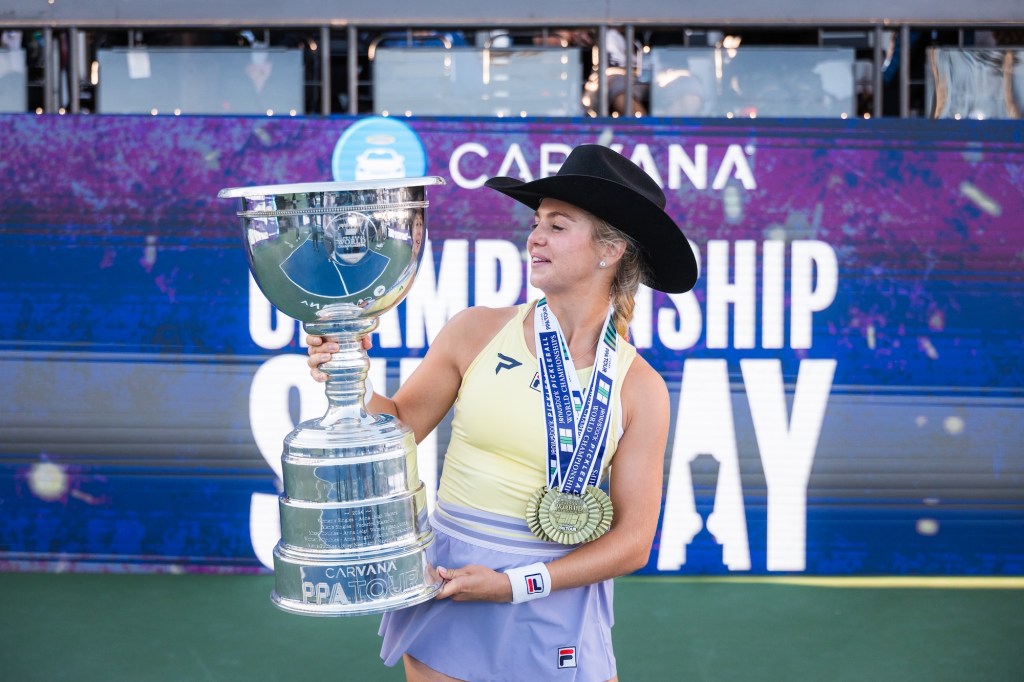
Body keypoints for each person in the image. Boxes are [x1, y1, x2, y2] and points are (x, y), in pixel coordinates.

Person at [306, 144, 698, 682]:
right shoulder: (474, 330)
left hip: (555, 587)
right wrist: (348, 375)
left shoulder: (641, 388)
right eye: (537, 222)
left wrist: (518, 583)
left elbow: (633, 543)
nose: (534, 237)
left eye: (558, 226)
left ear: (610, 249)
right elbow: (396, 428)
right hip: (450, 576)